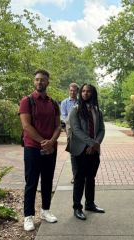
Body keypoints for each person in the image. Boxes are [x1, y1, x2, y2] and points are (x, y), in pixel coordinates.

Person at [19, 69, 60, 231]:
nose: (39, 82)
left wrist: (51, 142)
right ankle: (28, 216)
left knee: (48, 180)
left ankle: (45, 211)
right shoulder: (27, 101)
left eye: (42, 80)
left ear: (47, 82)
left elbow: (58, 126)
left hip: (50, 148)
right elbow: (26, 126)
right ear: (33, 82)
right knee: (31, 182)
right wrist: (43, 142)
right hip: (33, 148)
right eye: (37, 79)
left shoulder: (53, 103)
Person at [68, 84, 105, 221]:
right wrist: (91, 143)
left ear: (93, 94)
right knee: (79, 179)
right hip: (79, 150)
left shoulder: (97, 111)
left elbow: (101, 129)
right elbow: (76, 130)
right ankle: (77, 207)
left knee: (91, 178)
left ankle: (90, 204)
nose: (85, 93)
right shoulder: (75, 110)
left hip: (94, 150)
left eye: (88, 91)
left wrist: (96, 144)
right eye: (83, 91)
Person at [61, 83, 79, 183]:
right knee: (73, 153)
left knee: (82, 152)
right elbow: (63, 116)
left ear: (77, 91)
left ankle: (82, 175)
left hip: (81, 131)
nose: (72, 92)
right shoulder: (64, 103)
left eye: (74, 90)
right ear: (69, 90)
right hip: (70, 130)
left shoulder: (81, 102)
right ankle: (75, 176)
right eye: (71, 90)